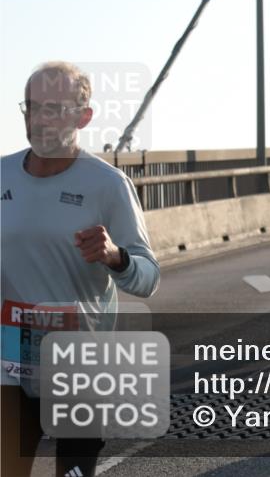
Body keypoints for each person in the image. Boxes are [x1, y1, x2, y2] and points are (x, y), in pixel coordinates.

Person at [2, 62, 160, 477]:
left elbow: (148, 277)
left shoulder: (107, 185)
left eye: (53, 109)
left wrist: (115, 256)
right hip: (9, 364)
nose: (39, 119)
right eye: (32, 107)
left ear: (83, 116)